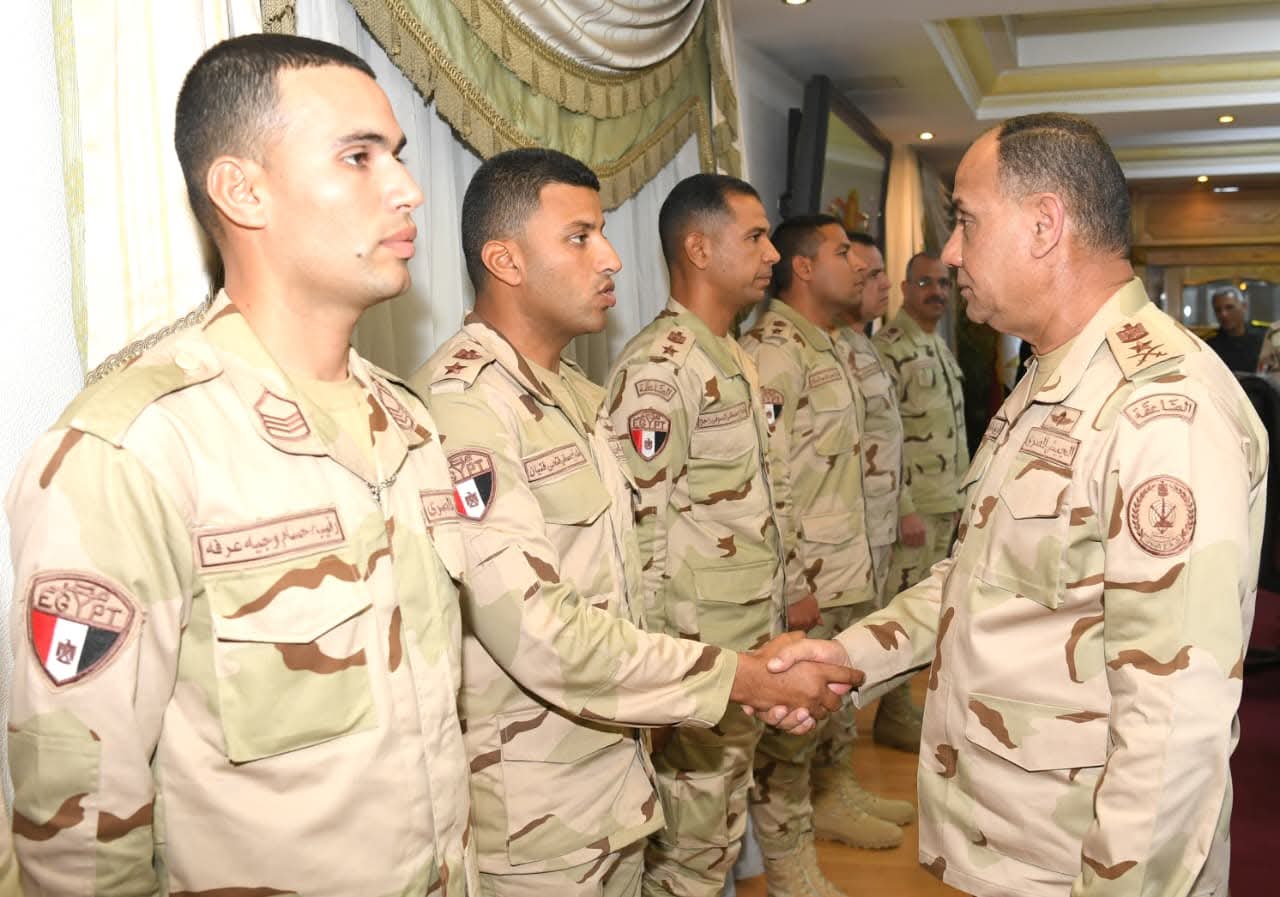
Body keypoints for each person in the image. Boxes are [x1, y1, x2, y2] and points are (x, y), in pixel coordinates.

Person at [5, 35, 479, 896]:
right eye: (359, 157)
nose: (407, 188)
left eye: (398, 156)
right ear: (242, 190)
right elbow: (77, 825)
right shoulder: (135, 446)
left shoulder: (409, 424)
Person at [769, 112, 1267, 897]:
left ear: (1044, 224)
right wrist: (849, 657)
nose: (952, 253)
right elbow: (976, 577)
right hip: (1011, 848)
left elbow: (1173, 727)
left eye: (967, 220)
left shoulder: (1160, 409)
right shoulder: (1050, 379)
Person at [410, 149, 855, 897]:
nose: (612, 258)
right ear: (505, 260)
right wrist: (735, 677)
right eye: (580, 237)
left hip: (614, 779)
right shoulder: (465, 407)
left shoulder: (574, 395)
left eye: (604, 233)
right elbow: (539, 631)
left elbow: (631, 580)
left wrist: (722, 669)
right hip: (538, 822)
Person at [605, 174, 785, 897]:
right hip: (693, 656)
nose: (772, 253)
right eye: (755, 237)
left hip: (740, 649)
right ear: (699, 249)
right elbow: (636, 537)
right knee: (688, 858)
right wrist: (653, 683)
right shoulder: (662, 367)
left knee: (712, 845)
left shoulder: (728, 353)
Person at [740, 216, 913, 896]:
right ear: (806, 268)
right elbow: (766, 479)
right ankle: (791, 870)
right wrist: (792, 584)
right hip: (810, 575)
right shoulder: (775, 352)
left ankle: (835, 794)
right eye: (844, 253)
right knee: (790, 734)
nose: (860, 266)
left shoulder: (829, 343)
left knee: (830, 710)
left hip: (845, 566)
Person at [871, 251, 968, 749]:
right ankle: (893, 713)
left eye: (944, 284)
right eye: (926, 283)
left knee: (936, 610)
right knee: (905, 609)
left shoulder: (938, 345)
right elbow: (884, 436)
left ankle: (907, 705)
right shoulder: (889, 348)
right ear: (906, 289)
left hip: (945, 500)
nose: (938, 292)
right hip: (914, 509)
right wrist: (903, 506)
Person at [841, 232, 920, 750]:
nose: (882, 284)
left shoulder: (861, 347)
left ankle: (840, 763)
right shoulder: (826, 351)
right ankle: (831, 772)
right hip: (843, 541)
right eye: (869, 274)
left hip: (875, 528)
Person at [1205, 288, 1265, 372]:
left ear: (1244, 307)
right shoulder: (1209, 346)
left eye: (1229, 307)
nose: (1223, 314)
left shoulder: (1263, 339)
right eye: (1218, 310)